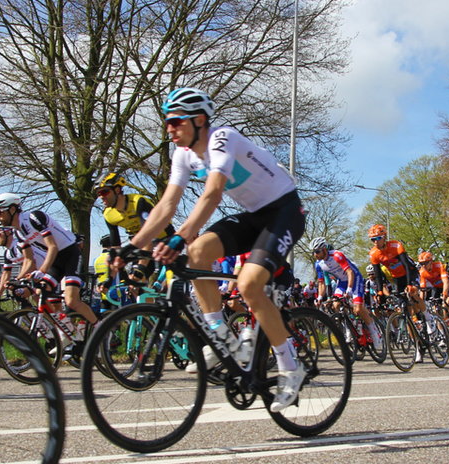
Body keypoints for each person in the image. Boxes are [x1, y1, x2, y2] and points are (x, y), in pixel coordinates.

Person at [114, 87, 306, 412]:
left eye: (175, 122)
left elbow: (213, 193)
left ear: (199, 120)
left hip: (284, 211)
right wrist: (132, 246)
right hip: (253, 216)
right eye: (167, 123)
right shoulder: (182, 155)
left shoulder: (222, 138)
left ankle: (290, 366)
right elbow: (166, 205)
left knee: (247, 285)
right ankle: (221, 336)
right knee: (196, 256)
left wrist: (182, 234)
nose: (168, 129)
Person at [0, 193, 98, 328]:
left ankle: (100, 328)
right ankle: (67, 330)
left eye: (0, 212)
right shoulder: (18, 233)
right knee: (39, 292)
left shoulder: (33, 218)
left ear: (12, 209)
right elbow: (29, 260)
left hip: (70, 253)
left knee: (71, 301)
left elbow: (52, 246)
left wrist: (41, 271)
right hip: (56, 260)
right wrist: (19, 280)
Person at [311, 237, 382, 349]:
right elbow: (321, 283)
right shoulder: (318, 264)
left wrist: (349, 289)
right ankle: (350, 328)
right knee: (336, 305)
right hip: (342, 282)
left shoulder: (337, 255)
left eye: (317, 252)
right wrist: (319, 297)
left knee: (358, 308)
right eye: (313, 252)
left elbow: (349, 272)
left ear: (324, 249)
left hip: (354, 278)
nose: (315, 255)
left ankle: (374, 332)